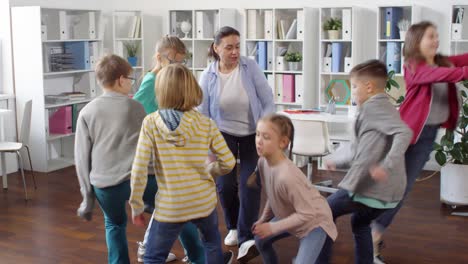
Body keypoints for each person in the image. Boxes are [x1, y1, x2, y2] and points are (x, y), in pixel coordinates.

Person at [371, 21, 468, 263]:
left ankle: (373, 234)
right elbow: (450, 74)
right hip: (405, 132)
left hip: (427, 135)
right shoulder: (414, 65)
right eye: (430, 37)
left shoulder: (441, 61)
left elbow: (462, 60)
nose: (436, 40)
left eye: (437, 36)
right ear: (416, 41)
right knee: (383, 186)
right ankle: (365, 233)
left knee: (401, 189)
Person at [129, 64, 236, 264]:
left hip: (171, 204)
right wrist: (210, 169)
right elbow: (228, 162)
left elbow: (139, 169)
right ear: (192, 88)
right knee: (212, 243)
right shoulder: (206, 124)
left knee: (153, 256)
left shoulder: (151, 123)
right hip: (203, 201)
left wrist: (136, 206)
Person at [317, 59, 413, 264]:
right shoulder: (380, 106)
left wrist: (386, 165)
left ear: (368, 87)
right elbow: (358, 148)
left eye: (353, 86)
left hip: (371, 188)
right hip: (390, 193)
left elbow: (404, 132)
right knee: (359, 223)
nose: (352, 92)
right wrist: (337, 159)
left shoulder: (374, 108)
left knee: (323, 213)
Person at [198, 26, 275, 263]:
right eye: (229, 47)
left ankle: (245, 240)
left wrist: (265, 128)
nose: (234, 52)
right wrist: (208, 147)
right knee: (226, 184)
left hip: (254, 132)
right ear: (216, 48)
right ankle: (232, 226)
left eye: (237, 46)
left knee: (250, 183)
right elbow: (202, 112)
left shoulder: (249, 66)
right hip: (223, 134)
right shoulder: (208, 75)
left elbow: (267, 98)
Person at [133, 35, 206, 264]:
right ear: (159, 57)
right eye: (173, 62)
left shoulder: (168, 81)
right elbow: (136, 110)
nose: (177, 67)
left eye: (180, 63)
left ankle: (154, 250)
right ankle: (194, 255)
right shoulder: (150, 81)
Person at [75, 54, 147, 264]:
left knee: (114, 224)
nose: (131, 85)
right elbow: (149, 149)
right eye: (131, 80)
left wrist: (87, 198)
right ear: (121, 80)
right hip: (137, 183)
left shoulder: (86, 111)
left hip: (104, 185)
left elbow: (81, 159)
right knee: (169, 212)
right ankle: (195, 255)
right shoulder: (135, 107)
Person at [252, 114, 337, 264]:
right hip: (293, 214)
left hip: (315, 223)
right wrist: (263, 220)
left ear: (283, 142)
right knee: (260, 240)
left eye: (266, 137)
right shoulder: (262, 162)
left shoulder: (288, 176)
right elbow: (274, 196)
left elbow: (308, 214)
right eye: (257, 134)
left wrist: (272, 227)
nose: (259, 140)